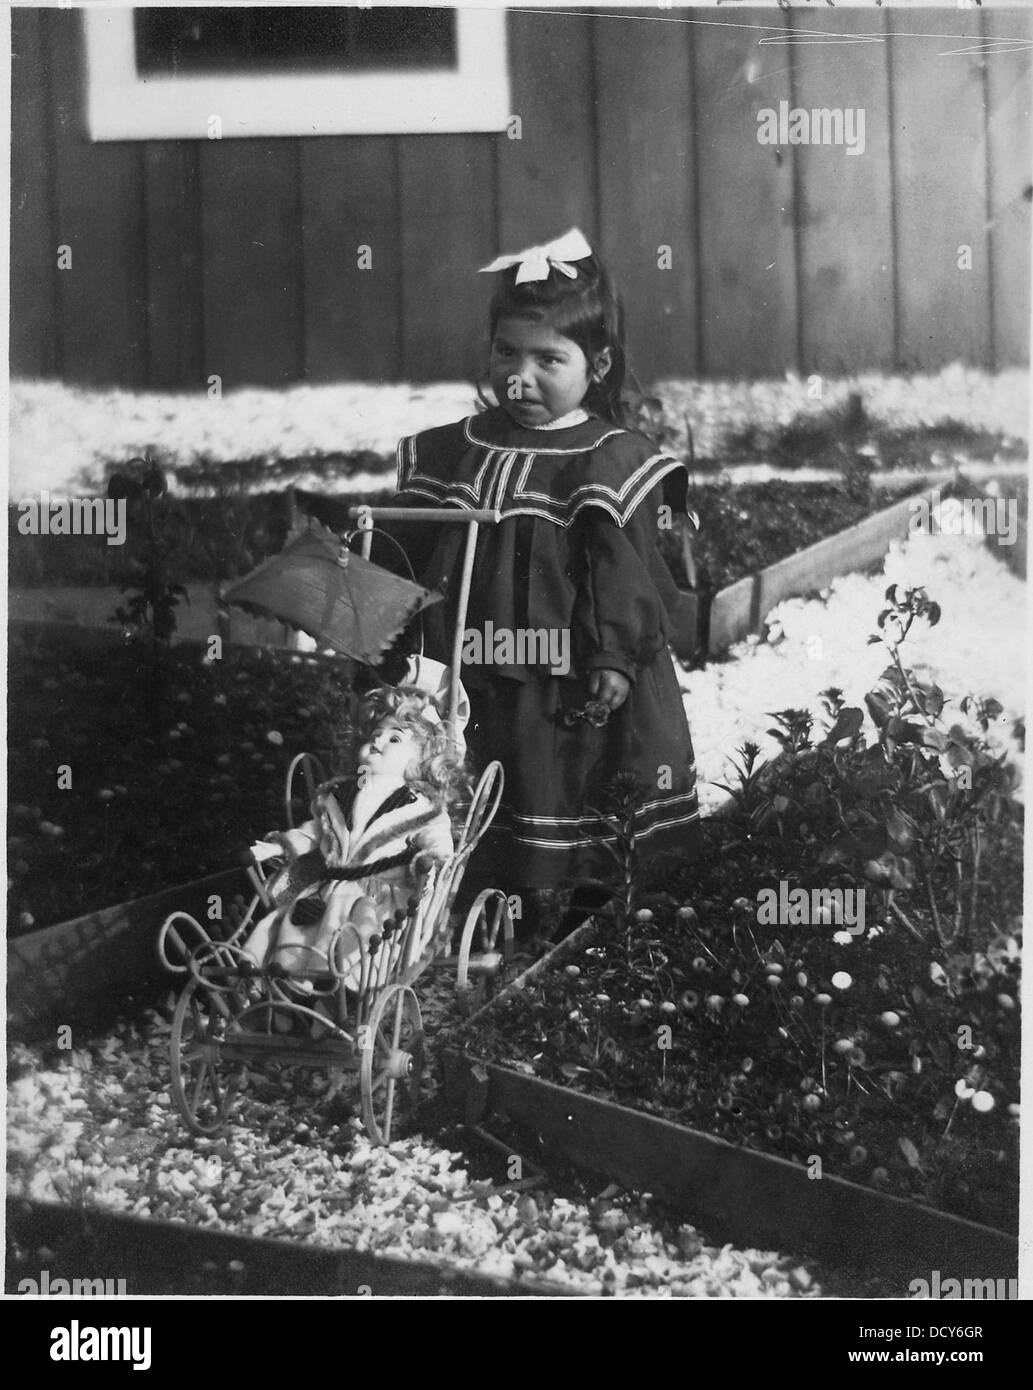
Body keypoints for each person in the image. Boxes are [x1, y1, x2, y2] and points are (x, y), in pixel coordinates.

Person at [391, 229, 701, 936]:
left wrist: (615, 655)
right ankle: (481, 885)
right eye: (505, 354)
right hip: (472, 650)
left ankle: (581, 897)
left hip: (564, 657)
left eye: (546, 360)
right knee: (481, 752)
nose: (518, 378)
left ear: (596, 364)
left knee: (564, 763)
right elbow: (412, 536)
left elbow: (624, 572)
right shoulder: (460, 448)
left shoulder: (603, 458)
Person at [243, 667, 468, 991]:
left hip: (378, 897)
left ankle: (332, 996)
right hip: (328, 888)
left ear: (423, 758)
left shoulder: (423, 806)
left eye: (394, 738)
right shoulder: (340, 795)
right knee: (290, 928)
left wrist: (428, 861)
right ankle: (286, 993)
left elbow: (436, 841)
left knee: (352, 937)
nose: (378, 741)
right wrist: (279, 847)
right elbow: (315, 833)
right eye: (375, 734)